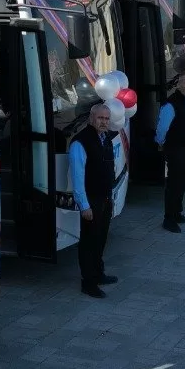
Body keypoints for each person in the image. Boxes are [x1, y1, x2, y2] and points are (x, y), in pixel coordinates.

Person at [69, 103, 118, 298]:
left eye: (107, 119)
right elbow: (78, 177)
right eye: (100, 118)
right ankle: (88, 282)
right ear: (91, 118)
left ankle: (98, 274)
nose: (104, 122)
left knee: (101, 239)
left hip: (105, 198)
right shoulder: (80, 143)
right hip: (91, 200)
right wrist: (84, 205)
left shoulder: (105, 138)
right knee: (89, 242)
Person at [155, 71, 185, 233]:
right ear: (179, 85)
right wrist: (160, 143)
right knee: (174, 184)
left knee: (182, 181)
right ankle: (169, 218)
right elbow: (162, 128)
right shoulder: (171, 104)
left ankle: (177, 212)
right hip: (175, 149)